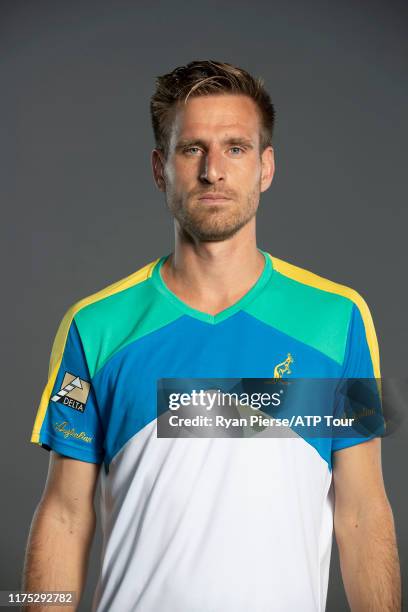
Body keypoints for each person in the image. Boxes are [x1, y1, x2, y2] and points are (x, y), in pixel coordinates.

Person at [23, 60, 401, 611]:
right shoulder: (96, 325)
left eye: (236, 148)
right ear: (160, 168)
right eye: (192, 148)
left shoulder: (339, 318)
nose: (213, 172)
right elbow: (64, 514)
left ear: (266, 167)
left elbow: (364, 512)